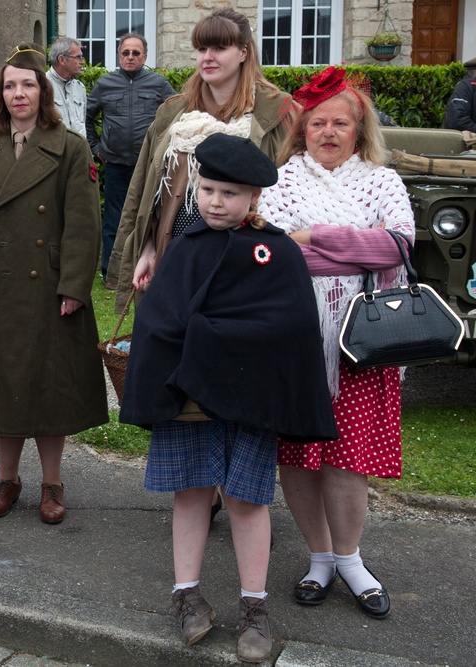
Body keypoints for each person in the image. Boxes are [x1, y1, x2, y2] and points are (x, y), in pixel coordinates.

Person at [120, 133, 337, 664]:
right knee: (192, 493)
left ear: (255, 198)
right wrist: (200, 339)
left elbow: (289, 327)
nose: (216, 201)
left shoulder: (279, 253)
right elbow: (157, 322)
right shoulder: (183, 249)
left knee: (245, 500)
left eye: (230, 193)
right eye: (208, 189)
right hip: (188, 399)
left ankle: (254, 609)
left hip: (250, 398)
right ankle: (187, 597)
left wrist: (212, 336)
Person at [258, 65, 416, 620]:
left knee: (348, 459)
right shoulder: (280, 181)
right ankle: (319, 558)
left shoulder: (381, 180)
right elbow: (273, 253)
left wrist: (312, 237)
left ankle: (350, 560)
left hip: (361, 342)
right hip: (296, 340)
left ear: (358, 129)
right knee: (298, 455)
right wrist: (352, 247)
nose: (328, 131)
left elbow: (397, 247)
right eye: (318, 122)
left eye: (340, 123)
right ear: (302, 130)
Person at [0, 43, 108, 525]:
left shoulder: (70, 146)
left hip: (48, 286)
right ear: (0, 93)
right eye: (10, 85)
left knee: (48, 385)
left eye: (28, 84)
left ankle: (52, 482)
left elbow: (83, 224)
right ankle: (7, 479)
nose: (19, 93)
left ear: (43, 90)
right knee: (3, 383)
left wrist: (74, 287)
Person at [108, 8, 289, 310]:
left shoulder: (276, 112)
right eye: (202, 48)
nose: (208, 57)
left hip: (244, 262)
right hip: (174, 257)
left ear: (243, 52)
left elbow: (292, 194)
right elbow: (144, 193)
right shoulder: (173, 112)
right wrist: (147, 249)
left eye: (219, 47)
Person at [85, 32, 175, 287]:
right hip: (115, 165)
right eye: (126, 52)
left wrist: (164, 149)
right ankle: (111, 274)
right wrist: (96, 148)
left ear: (145, 57)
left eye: (136, 53)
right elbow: (87, 117)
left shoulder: (158, 84)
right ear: (119, 55)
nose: (130, 57)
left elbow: (178, 112)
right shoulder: (105, 84)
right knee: (114, 220)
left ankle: (150, 268)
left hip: (148, 166)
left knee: (150, 218)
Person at [46, 36, 87, 137]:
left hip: (78, 151)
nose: (82, 62)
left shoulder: (80, 88)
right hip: (54, 151)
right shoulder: (42, 85)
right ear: (62, 59)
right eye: (78, 57)